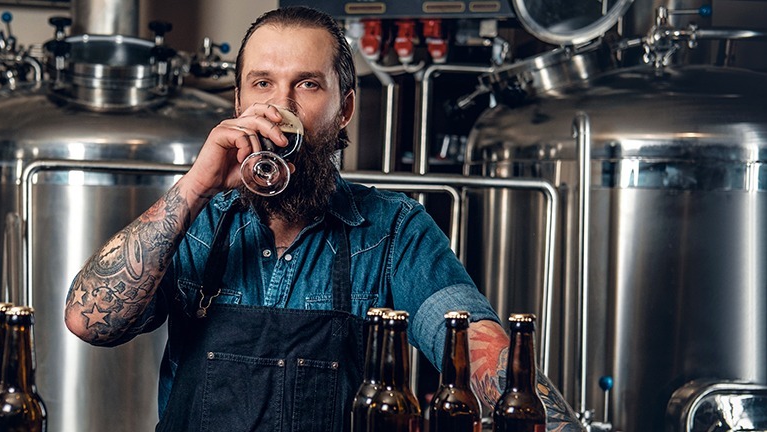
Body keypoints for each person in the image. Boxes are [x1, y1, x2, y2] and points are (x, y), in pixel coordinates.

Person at [65, 6, 583, 431]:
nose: (280, 107)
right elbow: (89, 322)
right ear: (240, 101)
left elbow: (478, 350)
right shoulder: (198, 220)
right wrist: (195, 186)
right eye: (262, 83)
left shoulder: (393, 230)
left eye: (307, 85)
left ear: (345, 109)